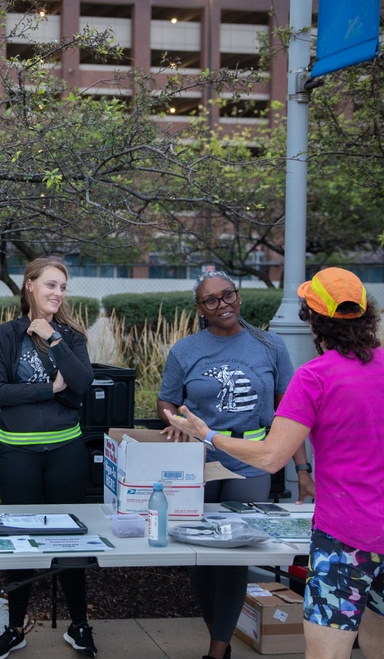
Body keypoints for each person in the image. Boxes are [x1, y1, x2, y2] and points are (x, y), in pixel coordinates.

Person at [165, 267, 384, 659]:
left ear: (313, 319)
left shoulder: (314, 376)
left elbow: (270, 456)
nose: (222, 303)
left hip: (345, 540)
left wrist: (209, 435)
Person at [156, 269, 315, 659]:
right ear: (200, 308)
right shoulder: (186, 350)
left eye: (228, 295)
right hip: (200, 461)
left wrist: (302, 471)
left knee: (234, 556)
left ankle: (217, 650)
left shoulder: (269, 345)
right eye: (211, 300)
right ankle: (219, 634)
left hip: (252, 463)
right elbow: (166, 400)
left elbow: (287, 413)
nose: (222, 304)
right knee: (197, 557)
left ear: (238, 296)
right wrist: (173, 420)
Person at [0, 257, 96, 659]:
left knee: (71, 540)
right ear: (30, 285)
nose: (58, 293)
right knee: (19, 541)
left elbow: (82, 383)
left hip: (65, 450)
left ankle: (79, 624)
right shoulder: (8, 335)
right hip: (17, 453)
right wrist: (51, 389)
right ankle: (15, 628)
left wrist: (53, 339)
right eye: (50, 285)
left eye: (63, 287)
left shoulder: (70, 336)